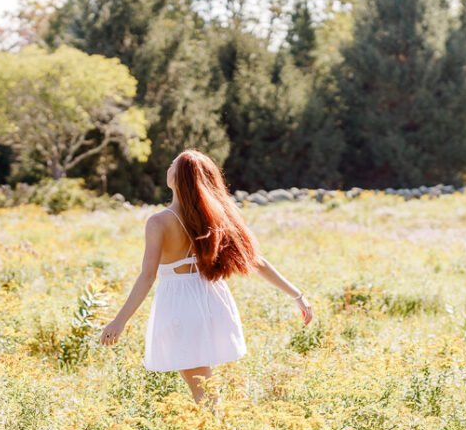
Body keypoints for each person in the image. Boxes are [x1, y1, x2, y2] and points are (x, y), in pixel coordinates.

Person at [98, 148, 313, 409]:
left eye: (173, 164)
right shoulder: (214, 217)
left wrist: (119, 321)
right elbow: (257, 261)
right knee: (202, 383)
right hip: (211, 298)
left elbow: (147, 275)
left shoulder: (159, 222)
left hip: (180, 304)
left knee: (203, 390)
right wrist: (297, 295)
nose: (168, 167)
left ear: (180, 178)